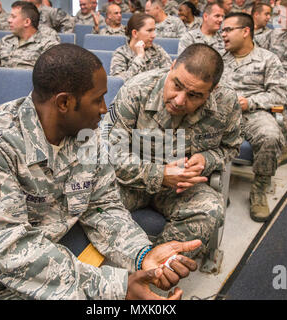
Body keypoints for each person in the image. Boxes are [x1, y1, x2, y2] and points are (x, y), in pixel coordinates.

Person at [0, 43, 201, 300]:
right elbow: (7, 250)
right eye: (97, 99)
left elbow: (103, 207)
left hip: (40, 272)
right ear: (64, 102)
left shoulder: (88, 136)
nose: (104, 109)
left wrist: (142, 254)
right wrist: (116, 286)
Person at [102, 43, 242, 268]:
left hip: (180, 189)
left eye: (194, 95)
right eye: (176, 85)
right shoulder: (137, 90)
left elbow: (230, 147)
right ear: (172, 66)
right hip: (132, 182)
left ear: (213, 90)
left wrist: (207, 159)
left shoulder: (227, 103)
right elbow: (109, 152)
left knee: (211, 209)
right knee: (87, 200)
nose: (179, 100)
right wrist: (160, 174)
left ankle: (157, 270)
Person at [220, 12, 287, 221]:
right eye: (222, 30)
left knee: (269, 136)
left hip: (254, 112)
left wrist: (250, 102)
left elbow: (280, 94)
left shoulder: (267, 59)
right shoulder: (218, 58)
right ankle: (213, 187)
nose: (223, 35)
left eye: (228, 30)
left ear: (245, 31)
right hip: (222, 112)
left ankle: (259, 190)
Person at [0, 1, 60, 69]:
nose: (9, 20)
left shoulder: (47, 44)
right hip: (2, 83)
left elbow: (50, 74)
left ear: (27, 22)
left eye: (13, 17)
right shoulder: (4, 41)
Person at [110, 13, 172, 81]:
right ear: (135, 33)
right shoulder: (120, 54)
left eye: (154, 30)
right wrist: (139, 58)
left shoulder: (157, 50)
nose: (154, 35)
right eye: (149, 30)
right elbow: (118, 82)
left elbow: (170, 75)